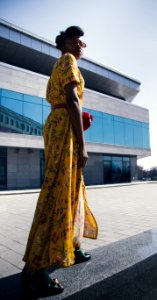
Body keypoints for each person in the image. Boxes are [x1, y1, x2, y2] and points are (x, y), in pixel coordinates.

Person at [21, 26, 98, 297]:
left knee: (73, 186)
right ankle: (36, 267)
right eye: (74, 41)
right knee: (57, 190)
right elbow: (72, 100)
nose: (79, 45)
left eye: (82, 42)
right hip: (63, 127)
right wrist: (82, 144)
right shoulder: (67, 61)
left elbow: (70, 103)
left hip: (61, 124)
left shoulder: (63, 63)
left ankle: (73, 246)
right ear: (64, 44)